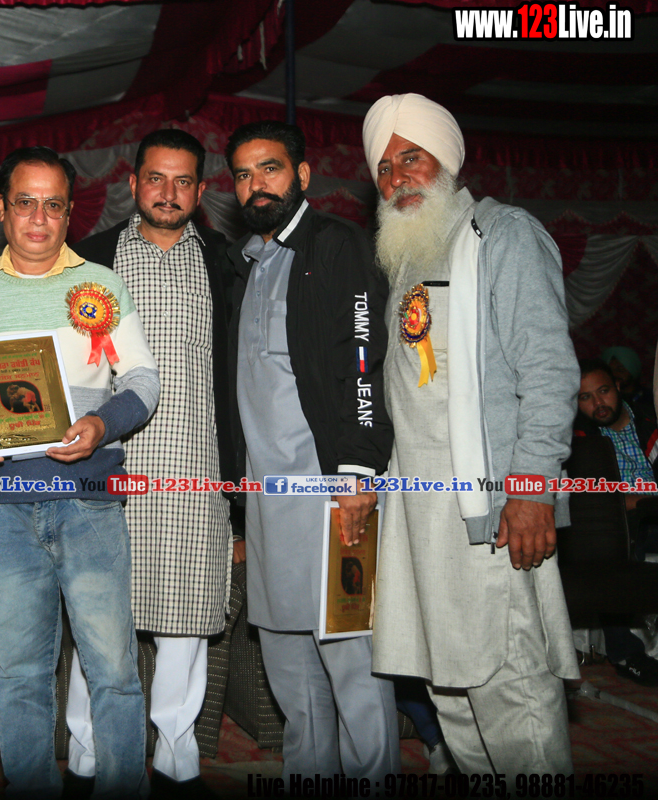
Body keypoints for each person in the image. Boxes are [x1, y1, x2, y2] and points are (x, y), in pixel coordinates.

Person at [363, 92, 580, 777]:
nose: (398, 177)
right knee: (450, 692)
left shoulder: (501, 235)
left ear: (448, 160)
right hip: (420, 518)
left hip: (491, 509)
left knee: (510, 689)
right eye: (384, 167)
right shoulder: (405, 255)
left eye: (412, 157)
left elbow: (547, 370)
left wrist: (532, 487)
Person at [0, 146, 158, 799]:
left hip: (88, 502)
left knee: (114, 671)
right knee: (16, 677)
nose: (38, 218)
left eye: (53, 205)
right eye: (25, 202)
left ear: (70, 213)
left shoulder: (101, 285)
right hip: (1, 510)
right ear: (1, 208)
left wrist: (101, 424)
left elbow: (144, 381)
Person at [223, 120, 399, 782]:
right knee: (291, 674)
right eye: (243, 174)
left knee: (354, 668)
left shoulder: (335, 246)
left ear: (301, 175)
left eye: (269, 168)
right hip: (269, 509)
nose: (256, 185)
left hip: (333, 498)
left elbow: (363, 360)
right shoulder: (245, 265)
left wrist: (358, 472)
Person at [67, 129, 233, 798]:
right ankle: (85, 760)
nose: (169, 192)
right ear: (133, 183)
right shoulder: (89, 259)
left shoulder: (227, 262)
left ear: (201, 190)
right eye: (156, 179)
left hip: (196, 468)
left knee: (185, 625)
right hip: (107, 469)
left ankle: (175, 762)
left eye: (183, 180)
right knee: (95, 621)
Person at [574, 357, 658, 685]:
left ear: (618, 387)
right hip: (617, 522)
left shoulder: (650, 421)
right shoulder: (579, 438)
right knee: (608, 546)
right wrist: (636, 501)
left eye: (604, 391)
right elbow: (589, 496)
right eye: (586, 397)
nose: (598, 403)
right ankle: (626, 654)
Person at [602, 345, 655, 417]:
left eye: (620, 370)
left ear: (632, 369)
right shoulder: (605, 400)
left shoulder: (651, 398)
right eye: (610, 371)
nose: (614, 374)